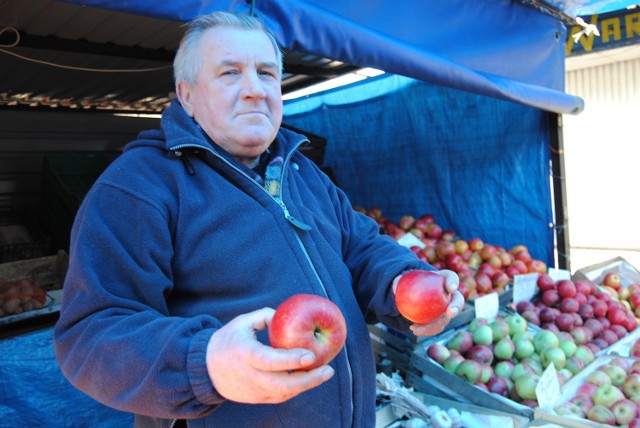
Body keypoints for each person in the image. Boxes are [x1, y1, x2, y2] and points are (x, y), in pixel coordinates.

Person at [53, 11, 464, 428]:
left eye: (266, 74)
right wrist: (205, 364)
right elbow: (90, 335)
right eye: (230, 73)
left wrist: (401, 282)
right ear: (187, 94)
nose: (254, 90)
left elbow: (361, 249)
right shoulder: (138, 187)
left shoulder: (303, 173)